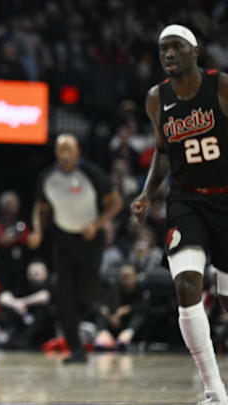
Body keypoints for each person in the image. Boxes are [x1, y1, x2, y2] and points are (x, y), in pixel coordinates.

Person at [132, 25, 228, 405]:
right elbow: (162, 150)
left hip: (226, 199)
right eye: (162, 50)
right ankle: (214, 391)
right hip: (186, 200)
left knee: (225, 298)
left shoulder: (220, 86)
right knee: (186, 287)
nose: (168, 55)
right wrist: (145, 194)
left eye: (176, 48)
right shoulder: (157, 99)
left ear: (194, 51)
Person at [28, 133, 123, 363]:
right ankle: (76, 348)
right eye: (61, 149)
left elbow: (116, 203)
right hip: (63, 239)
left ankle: (95, 312)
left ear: (78, 151)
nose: (65, 153)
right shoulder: (47, 176)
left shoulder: (91, 174)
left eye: (69, 149)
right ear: (56, 153)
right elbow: (40, 208)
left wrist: (97, 224)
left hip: (89, 238)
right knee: (64, 295)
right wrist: (38, 230)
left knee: (87, 293)